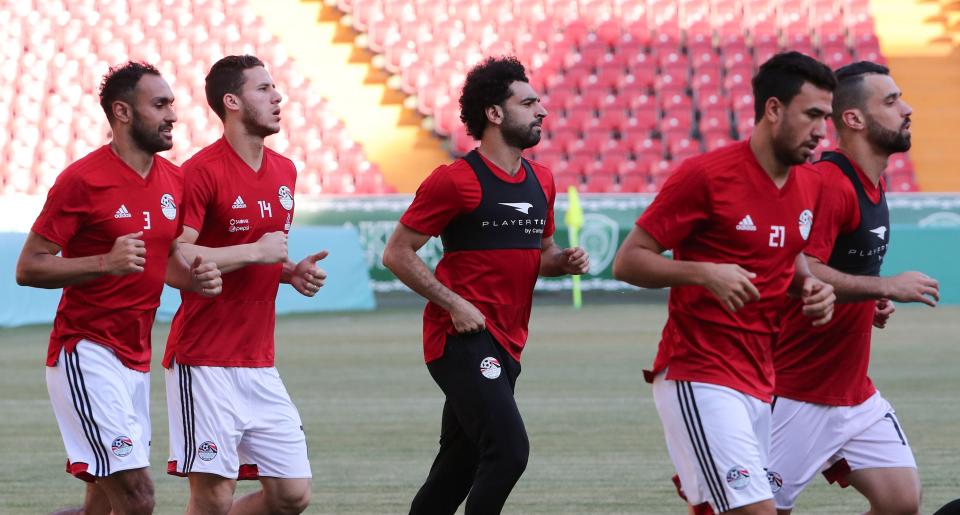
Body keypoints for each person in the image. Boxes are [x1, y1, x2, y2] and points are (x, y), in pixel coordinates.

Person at [612, 52, 838, 515]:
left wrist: (811, 286)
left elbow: (786, 256)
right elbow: (628, 261)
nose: (822, 131)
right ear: (773, 109)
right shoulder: (706, 176)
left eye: (827, 118)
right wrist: (703, 272)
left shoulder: (811, 185)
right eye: (812, 115)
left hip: (761, 378)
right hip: (699, 372)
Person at [382, 56, 589, 515]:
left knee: (457, 467)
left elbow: (542, 256)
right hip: (461, 340)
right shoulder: (455, 180)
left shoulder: (542, 182)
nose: (542, 111)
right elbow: (396, 252)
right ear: (494, 114)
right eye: (529, 102)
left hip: (508, 344)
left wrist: (563, 261)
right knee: (510, 451)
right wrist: (454, 304)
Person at [15, 61, 222, 515]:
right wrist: (104, 262)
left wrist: (196, 278)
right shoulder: (82, 179)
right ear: (123, 112)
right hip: (85, 351)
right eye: (161, 104)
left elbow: (166, 261)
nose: (173, 115)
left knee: (101, 508)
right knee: (137, 498)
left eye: (172, 104)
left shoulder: (175, 181)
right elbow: (28, 267)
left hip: (135, 359)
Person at [768, 61, 939, 515]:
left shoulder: (873, 184)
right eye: (891, 101)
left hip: (852, 390)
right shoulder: (829, 183)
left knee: (900, 503)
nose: (907, 108)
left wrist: (868, 297)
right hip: (796, 389)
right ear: (853, 118)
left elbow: (835, 270)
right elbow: (797, 265)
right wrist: (884, 284)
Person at [162, 55, 327, 515]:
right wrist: (256, 253)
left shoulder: (285, 171)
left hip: (259, 360)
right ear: (231, 102)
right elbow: (175, 254)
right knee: (213, 496)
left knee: (292, 494)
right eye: (264, 89)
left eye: (275, 88)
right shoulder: (200, 171)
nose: (278, 97)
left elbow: (258, 252)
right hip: (204, 359)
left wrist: (289, 271)